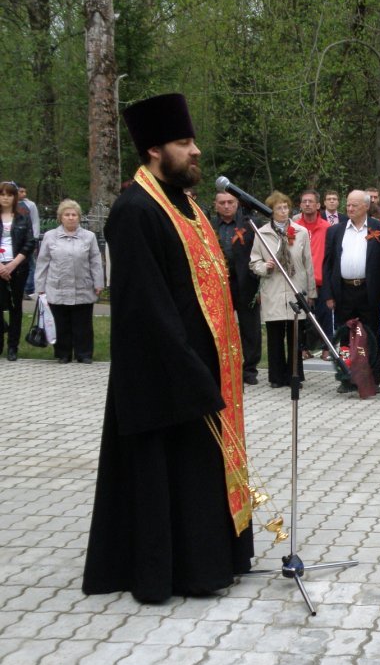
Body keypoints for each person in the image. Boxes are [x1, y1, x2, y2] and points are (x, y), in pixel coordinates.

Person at [83, 92, 253, 603]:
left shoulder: (187, 206)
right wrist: (190, 373)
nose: (196, 151)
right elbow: (145, 309)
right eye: (185, 142)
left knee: (199, 474)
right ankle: (179, 571)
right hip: (167, 377)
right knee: (172, 474)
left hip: (202, 368)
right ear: (156, 150)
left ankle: (214, 560)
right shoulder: (135, 211)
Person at [322, 189, 380, 393]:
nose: (350, 208)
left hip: (368, 291)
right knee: (346, 337)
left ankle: (372, 379)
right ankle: (347, 377)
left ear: (366, 206)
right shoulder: (335, 231)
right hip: (344, 291)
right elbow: (328, 264)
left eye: (355, 205)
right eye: (348, 204)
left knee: (370, 336)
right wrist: (328, 294)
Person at [250, 191, 316, 388]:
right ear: (271, 211)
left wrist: (311, 292)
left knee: (295, 334)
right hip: (274, 288)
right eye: (279, 208)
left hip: (296, 287)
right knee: (275, 334)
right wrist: (265, 266)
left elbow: (308, 263)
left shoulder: (300, 232)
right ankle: (277, 377)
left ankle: (294, 375)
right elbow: (254, 261)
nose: (283, 211)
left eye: (286, 207)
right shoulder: (262, 233)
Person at [34, 199, 104, 363]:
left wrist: (98, 282)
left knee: (83, 324)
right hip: (57, 286)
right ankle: (63, 354)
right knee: (61, 323)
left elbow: (95, 261)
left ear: (79, 217)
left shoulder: (89, 237)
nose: (71, 217)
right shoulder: (50, 237)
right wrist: (40, 286)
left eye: (74, 215)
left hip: (83, 286)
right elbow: (42, 262)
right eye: (67, 215)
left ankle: (84, 354)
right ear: (61, 217)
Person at [213, 189, 262, 385]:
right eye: (222, 203)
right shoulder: (209, 225)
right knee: (220, 327)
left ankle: (250, 369)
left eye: (230, 202)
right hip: (219, 283)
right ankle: (222, 367)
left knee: (250, 328)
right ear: (216, 205)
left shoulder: (250, 224)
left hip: (245, 282)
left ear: (238, 203)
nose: (226, 206)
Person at [293, 190, 330, 357]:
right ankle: (303, 348)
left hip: (322, 280)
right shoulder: (293, 228)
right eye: (304, 201)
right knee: (302, 317)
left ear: (318, 205)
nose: (307, 204)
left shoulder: (328, 228)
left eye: (311, 201)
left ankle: (326, 348)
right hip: (300, 281)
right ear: (300, 205)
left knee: (325, 316)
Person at [0, 181, 35, 360]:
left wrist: (13, 264)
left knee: (15, 308)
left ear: (15, 198)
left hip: (18, 268)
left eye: (9, 195)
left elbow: (30, 243)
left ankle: (13, 347)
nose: (5, 198)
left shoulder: (22, 218)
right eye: (2, 194)